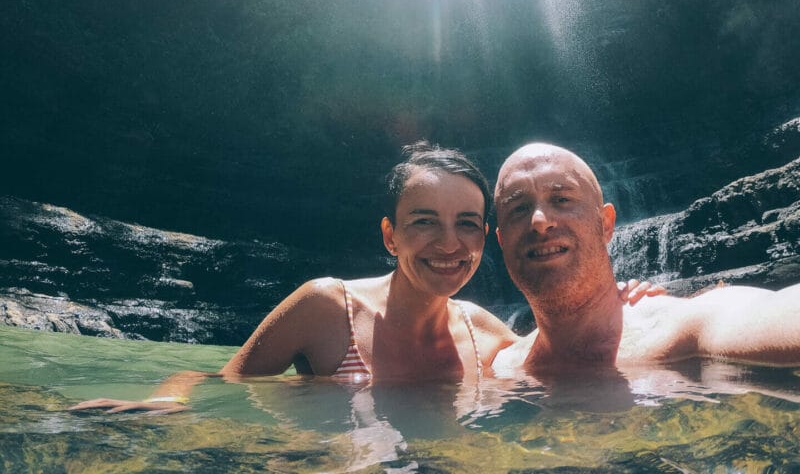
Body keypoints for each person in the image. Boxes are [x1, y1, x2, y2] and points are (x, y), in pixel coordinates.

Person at [70, 141, 660, 414]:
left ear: (488, 237)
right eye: (424, 222)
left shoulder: (488, 336)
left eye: (466, 224)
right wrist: (164, 401)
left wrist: (631, 296)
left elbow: (568, 347)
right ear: (390, 235)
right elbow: (218, 382)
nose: (449, 243)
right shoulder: (327, 308)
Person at [491, 142, 800, 375]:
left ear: (606, 224)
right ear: (502, 241)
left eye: (561, 199)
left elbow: (766, 314)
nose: (539, 221)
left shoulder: (685, 330)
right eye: (518, 208)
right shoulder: (499, 366)